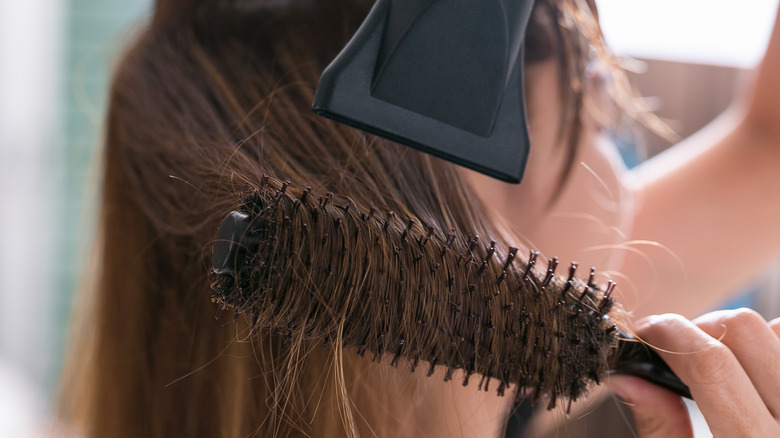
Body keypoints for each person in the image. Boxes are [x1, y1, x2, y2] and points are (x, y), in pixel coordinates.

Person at [57, 0, 780, 437]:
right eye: (601, 115)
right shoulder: (483, 354)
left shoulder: (480, 371)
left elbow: (766, 151)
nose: (624, 185)